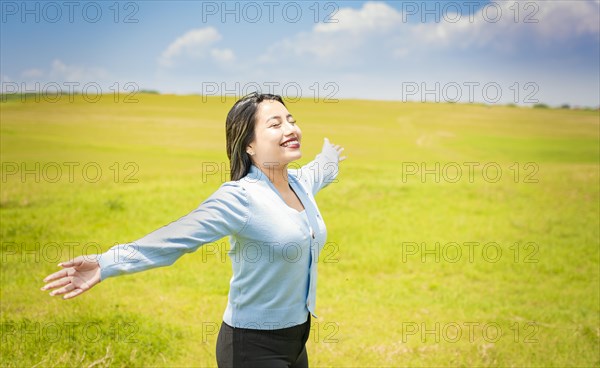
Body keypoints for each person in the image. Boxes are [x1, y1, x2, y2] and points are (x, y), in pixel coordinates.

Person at [41, 92, 346, 367]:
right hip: (252, 346)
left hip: (296, 339)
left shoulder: (301, 183)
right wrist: (105, 262)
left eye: (291, 120)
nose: (290, 129)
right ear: (249, 143)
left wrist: (330, 154)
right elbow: (174, 239)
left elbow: (324, 169)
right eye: (275, 124)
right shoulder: (240, 198)